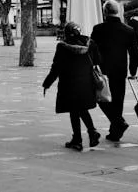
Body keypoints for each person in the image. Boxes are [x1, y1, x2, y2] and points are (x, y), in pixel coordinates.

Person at [42, 22, 101, 151]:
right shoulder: (90, 43)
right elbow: (97, 61)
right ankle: (90, 132)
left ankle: (79, 139)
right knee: (80, 108)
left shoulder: (62, 46)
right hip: (86, 82)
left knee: (74, 110)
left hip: (69, 83)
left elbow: (56, 68)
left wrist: (47, 83)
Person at [90, 0, 138, 142]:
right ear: (118, 11)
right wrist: (133, 71)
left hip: (102, 69)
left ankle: (118, 123)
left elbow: (92, 49)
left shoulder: (98, 29)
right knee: (118, 100)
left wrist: (92, 65)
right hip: (120, 69)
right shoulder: (128, 30)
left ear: (105, 12)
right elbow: (134, 53)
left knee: (100, 97)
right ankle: (115, 131)